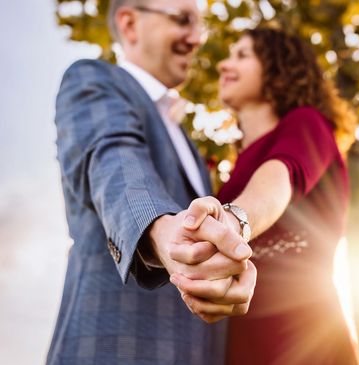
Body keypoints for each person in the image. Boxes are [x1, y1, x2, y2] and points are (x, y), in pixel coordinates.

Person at [46, 1, 257, 364]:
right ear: (130, 24)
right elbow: (112, 158)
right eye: (183, 20)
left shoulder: (187, 141)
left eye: (200, 25)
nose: (196, 39)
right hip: (111, 349)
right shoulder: (94, 80)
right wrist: (163, 230)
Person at [207, 27, 359, 364]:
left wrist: (231, 223)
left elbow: (280, 176)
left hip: (304, 338)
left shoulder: (308, 124)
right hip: (241, 340)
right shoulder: (238, 165)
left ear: (277, 67)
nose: (223, 66)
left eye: (242, 55)